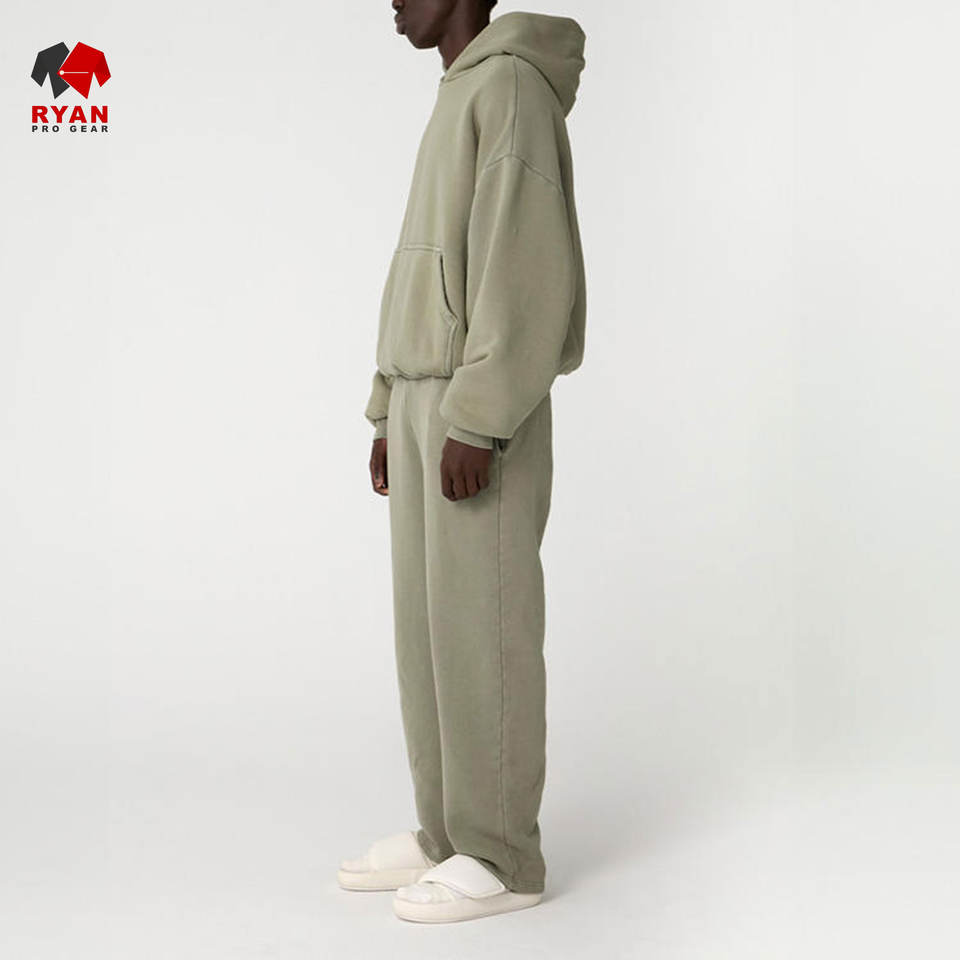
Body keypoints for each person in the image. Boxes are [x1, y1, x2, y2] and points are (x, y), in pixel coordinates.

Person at [340, 0, 586, 923]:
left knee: (484, 623)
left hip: (478, 403)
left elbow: (524, 263)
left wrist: (478, 418)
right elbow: (425, 263)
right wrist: (385, 402)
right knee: (430, 631)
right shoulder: (458, 90)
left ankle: (503, 855)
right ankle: (448, 833)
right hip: (422, 396)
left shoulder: (512, 85)